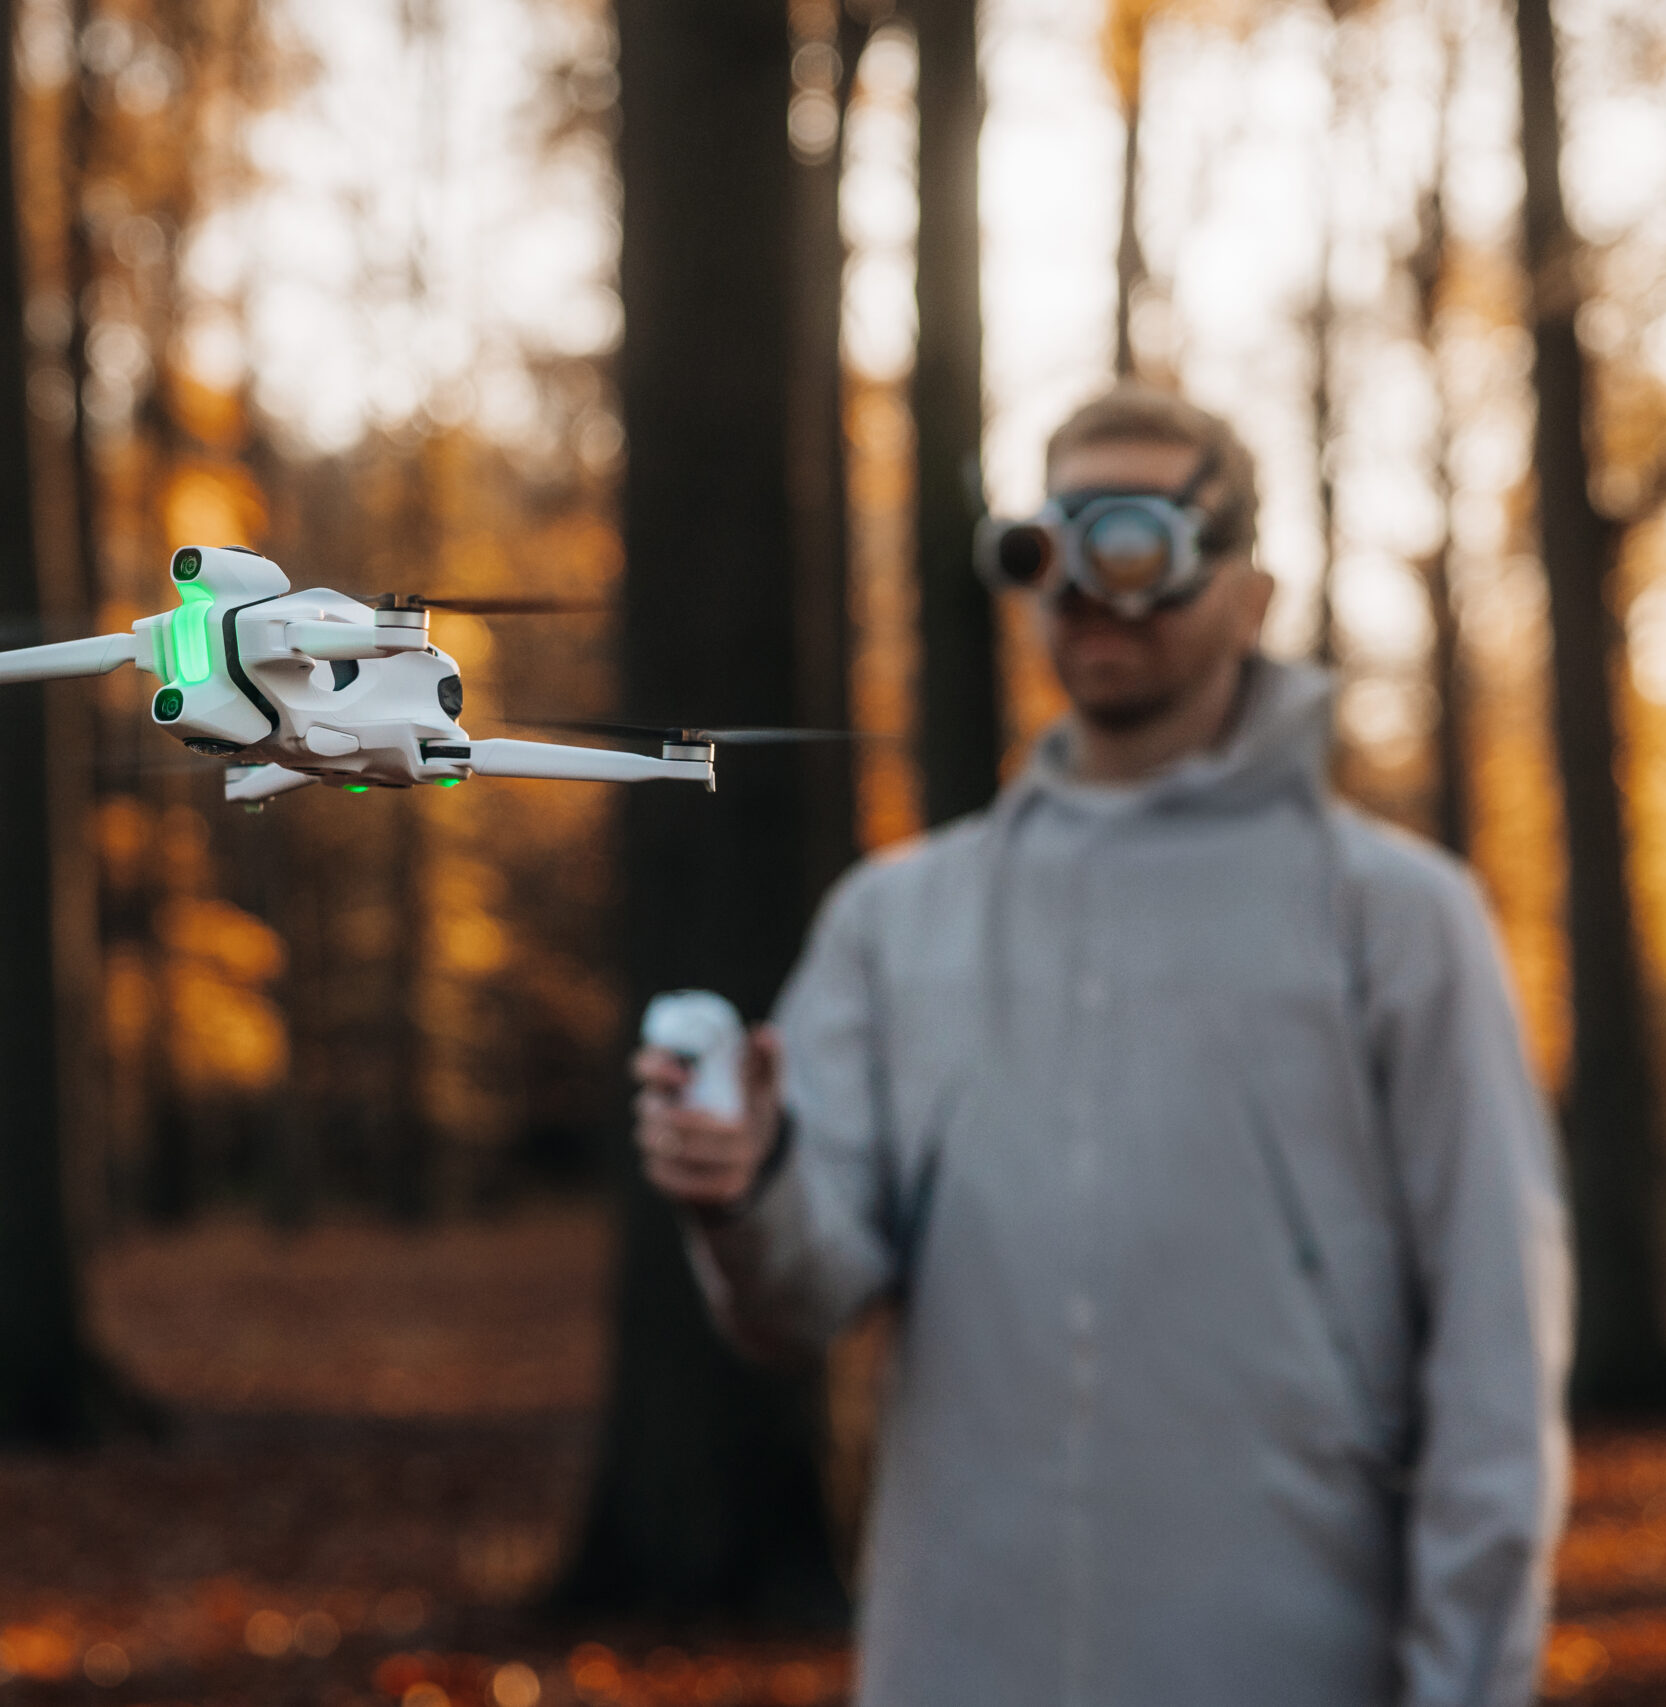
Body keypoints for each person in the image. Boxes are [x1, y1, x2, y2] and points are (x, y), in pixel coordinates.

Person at [633, 383, 1573, 1707]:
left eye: (1133, 543)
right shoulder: (898, 920)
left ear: (1249, 591)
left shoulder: (1396, 921)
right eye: (1048, 551)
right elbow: (800, 1298)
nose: (1084, 592)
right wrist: (749, 1183)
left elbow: (1493, 1372)